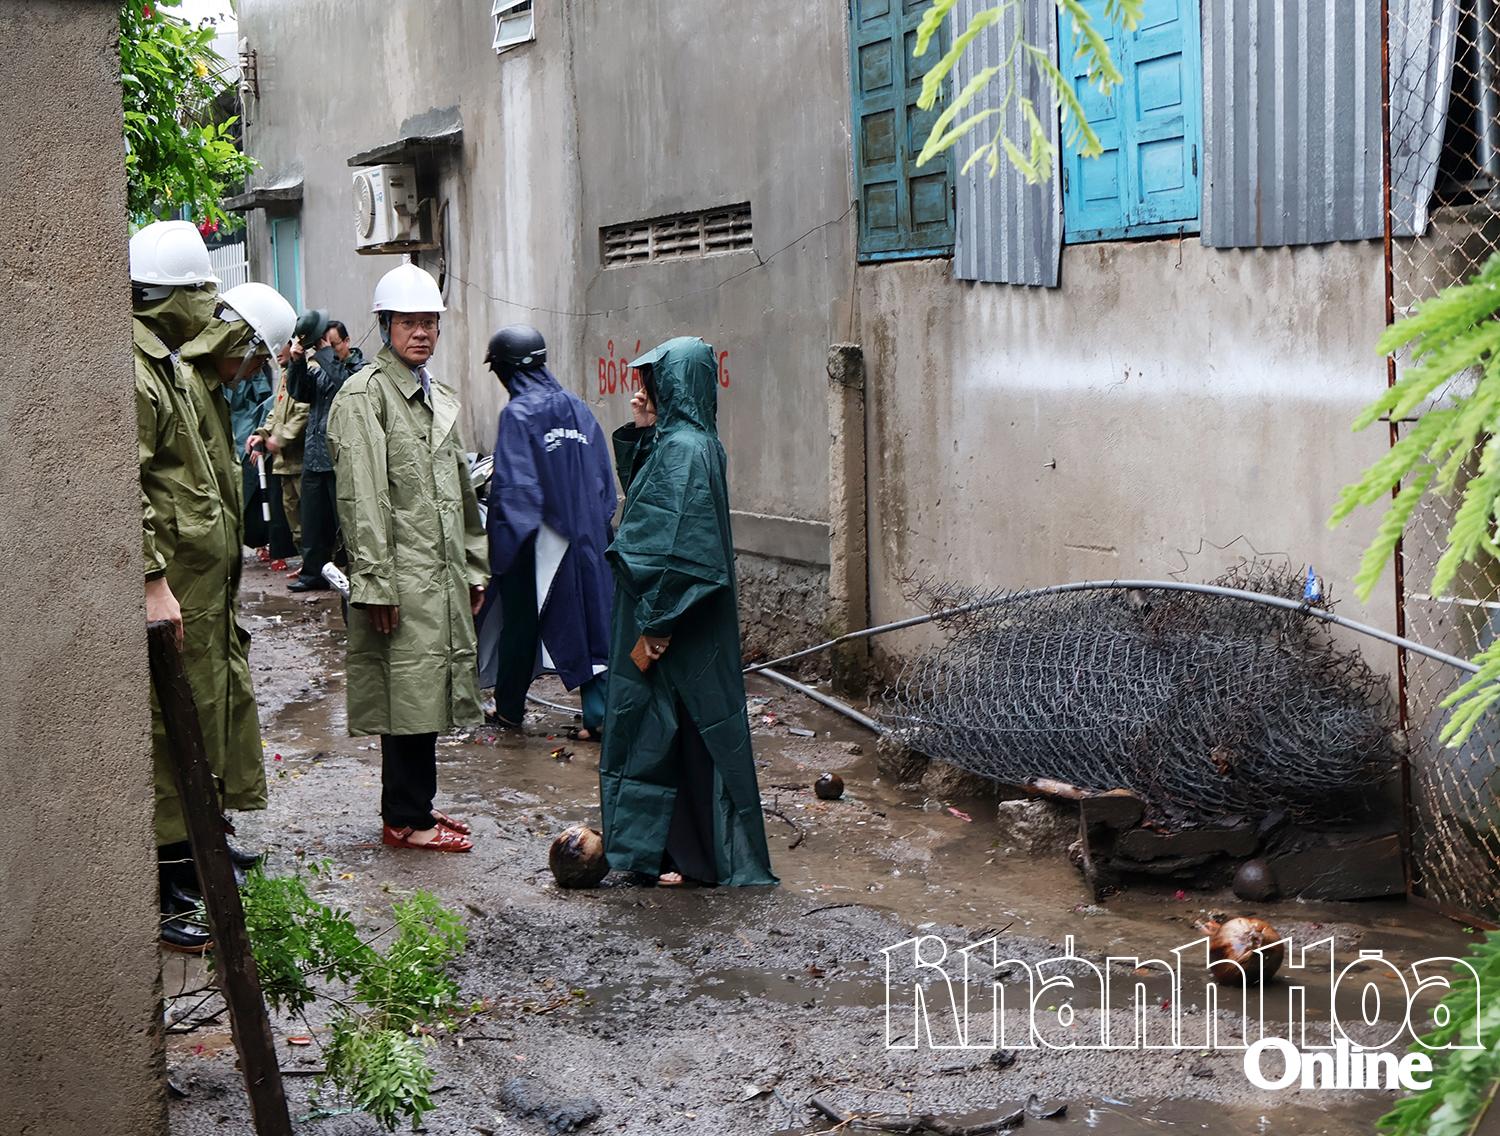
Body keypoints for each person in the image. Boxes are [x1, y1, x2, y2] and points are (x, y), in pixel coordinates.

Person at [597, 337, 777, 888]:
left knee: (668, 735)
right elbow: (652, 503)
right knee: (676, 736)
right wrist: (644, 430)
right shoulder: (688, 442)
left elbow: (675, 549)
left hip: (671, 628)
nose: (639, 392)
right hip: (677, 624)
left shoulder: (685, 450)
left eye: (650, 382)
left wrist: (652, 637)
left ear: (672, 386)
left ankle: (685, 857)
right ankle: (678, 856)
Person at [326, 261, 488, 853]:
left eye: (429, 323)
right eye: (408, 322)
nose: (421, 332)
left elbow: (461, 492)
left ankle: (416, 809)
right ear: (385, 325)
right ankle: (406, 819)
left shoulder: (435, 396)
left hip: (439, 577)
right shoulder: (364, 397)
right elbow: (361, 498)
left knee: (426, 696)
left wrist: (474, 566)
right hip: (400, 578)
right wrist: (375, 582)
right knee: (407, 696)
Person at [482, 325, 615, 740]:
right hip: (588, 536)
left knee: (520, 627)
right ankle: (599, 715)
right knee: (592, 621)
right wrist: (593, 526)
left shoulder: (518, 415)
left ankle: (508, 711)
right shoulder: (578, 407)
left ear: (506, 371)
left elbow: (516, 490)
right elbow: (603, 482)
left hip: (538, 541)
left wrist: (501, 552)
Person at [287, 313, 364, 591]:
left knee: (345, 522)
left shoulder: (359, 368)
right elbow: (299, 391)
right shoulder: (321, 367)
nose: (329, 349)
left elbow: (344, 385)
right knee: (313, 521)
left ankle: (355, 571)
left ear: (346, 341)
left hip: (341, 459)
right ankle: (313, 573)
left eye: (334, 344)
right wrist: (296, 362)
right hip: (315, 455)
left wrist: (324, 353)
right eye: (324, 344)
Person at [247, 326, 311, 574]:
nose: (276, 353)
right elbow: (276, 412)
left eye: (279, 346)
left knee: (308, 517)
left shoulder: (305, 371)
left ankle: (317, 565)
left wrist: (280, 439)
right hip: (284, 462)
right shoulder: (285, 376)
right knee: (293, 516)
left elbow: (302, 412)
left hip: (301, 459)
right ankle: (307, 565)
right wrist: (262, 434)